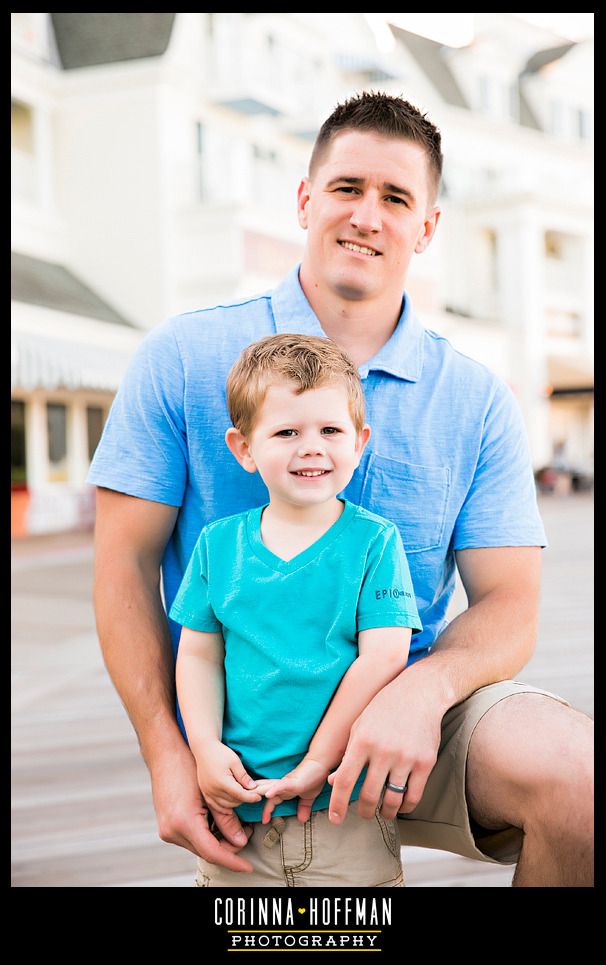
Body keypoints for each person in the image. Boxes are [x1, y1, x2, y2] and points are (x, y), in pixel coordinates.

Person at [90, 91, 593, 886]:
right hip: (246, 732)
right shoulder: (183, 357)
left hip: (414, 719)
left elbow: (510, 605)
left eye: (396, 198)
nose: (368, 214)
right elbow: (122, 567)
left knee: (583, 779)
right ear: (304, 199)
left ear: (426, 228)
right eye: (347, 188)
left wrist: (421, 692)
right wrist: (168, 750)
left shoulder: (475, 398)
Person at [170, 333, 422, 886]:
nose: (312, 447)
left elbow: (383, 658)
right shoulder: (219, 545)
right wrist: (205, 748)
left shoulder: (374, 542)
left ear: (360, 442)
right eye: (287, 432)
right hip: (238, 807)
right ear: (244, 448)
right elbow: (198, 657)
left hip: (342, 806)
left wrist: (317, 764)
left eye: (330, 431)